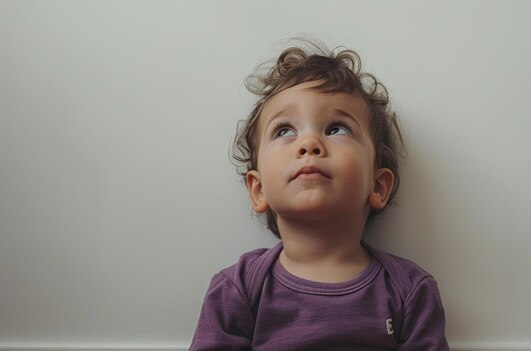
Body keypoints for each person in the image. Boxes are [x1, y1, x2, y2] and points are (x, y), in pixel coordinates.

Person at [190, 40, 449, 350]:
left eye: (337, 128)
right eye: (284, 130)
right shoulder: (238, 289)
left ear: (378, 186)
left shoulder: (410, 291)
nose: (309, 143)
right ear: (258, 190)